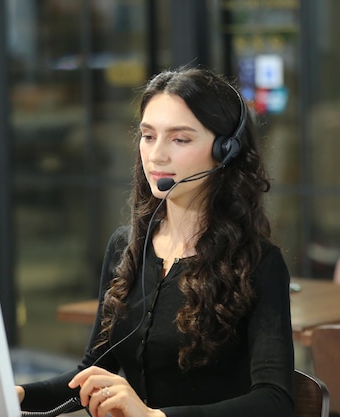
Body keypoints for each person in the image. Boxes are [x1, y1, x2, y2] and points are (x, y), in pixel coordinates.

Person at [17, 67, 295, 417]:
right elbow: (90, 375)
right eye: (148, 136)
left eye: (180, 139)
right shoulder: (126, 248)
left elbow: (275, 401)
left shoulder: (257, 262)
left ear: (226, 150)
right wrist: (13, 395)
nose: (157, 155)